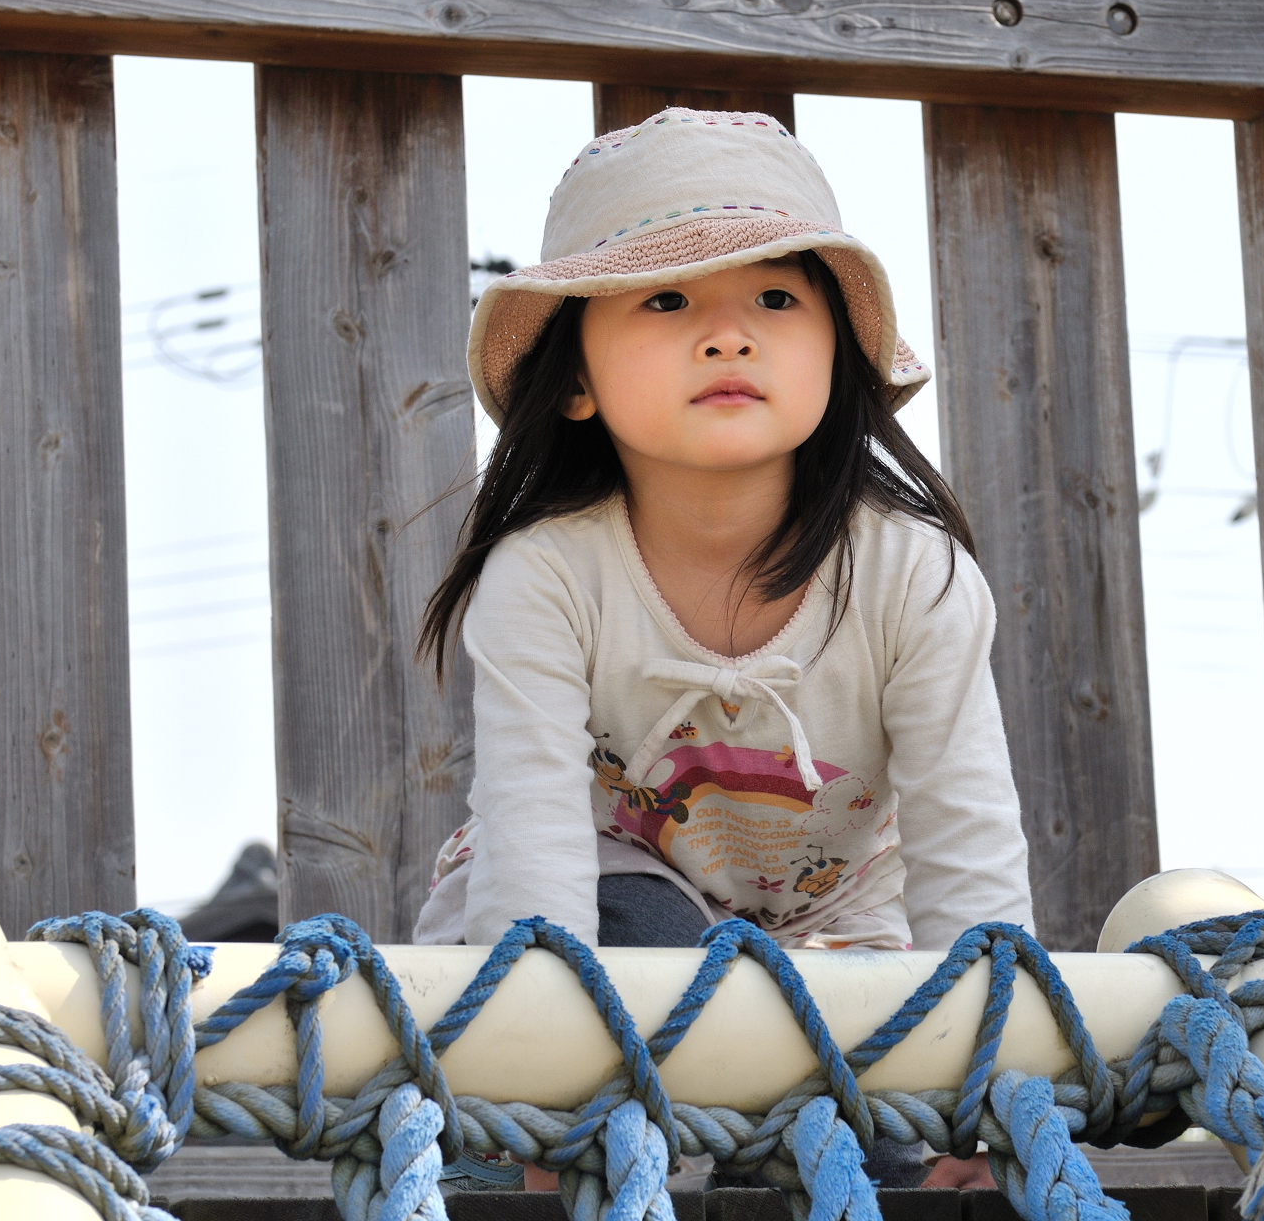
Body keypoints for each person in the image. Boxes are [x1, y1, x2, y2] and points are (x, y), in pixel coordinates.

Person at [414, 109, 1032, 1190]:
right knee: (643, 937)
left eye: (776, 298)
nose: (729, 334)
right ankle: (619, 1149)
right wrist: (538, 1094)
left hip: (836, 930)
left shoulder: (912, 575)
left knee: (868, 1106)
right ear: (576, 379)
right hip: (602, 904)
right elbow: (535, 857)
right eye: (666, 299)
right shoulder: (546, 575)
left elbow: (966, 850)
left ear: (836, 356)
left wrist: (984, 1102)